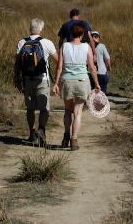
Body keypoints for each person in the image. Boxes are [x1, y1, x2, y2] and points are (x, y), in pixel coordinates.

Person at [52, 23, 101, 150]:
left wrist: (56, 83)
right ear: (82, 34)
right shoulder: (86, 47)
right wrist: (96, 84)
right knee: (78, 111)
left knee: (67, 110)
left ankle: (66, 135)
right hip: (82, 81)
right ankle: (74, 140)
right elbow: (91, 68)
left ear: (71, 34)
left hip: (67, 81)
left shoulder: (64, 46)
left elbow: (59, 67)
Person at [15, 18, 58, 146]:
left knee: (30, 108)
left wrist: (16, 79)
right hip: (42, 79)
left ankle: (31, 133)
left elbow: (17, 63)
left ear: (30, 28)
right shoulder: (47, 43)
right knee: (44, 108)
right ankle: (41, 130)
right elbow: (58, 60)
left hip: (27, 79)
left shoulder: (22, 42)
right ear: (41, 29)